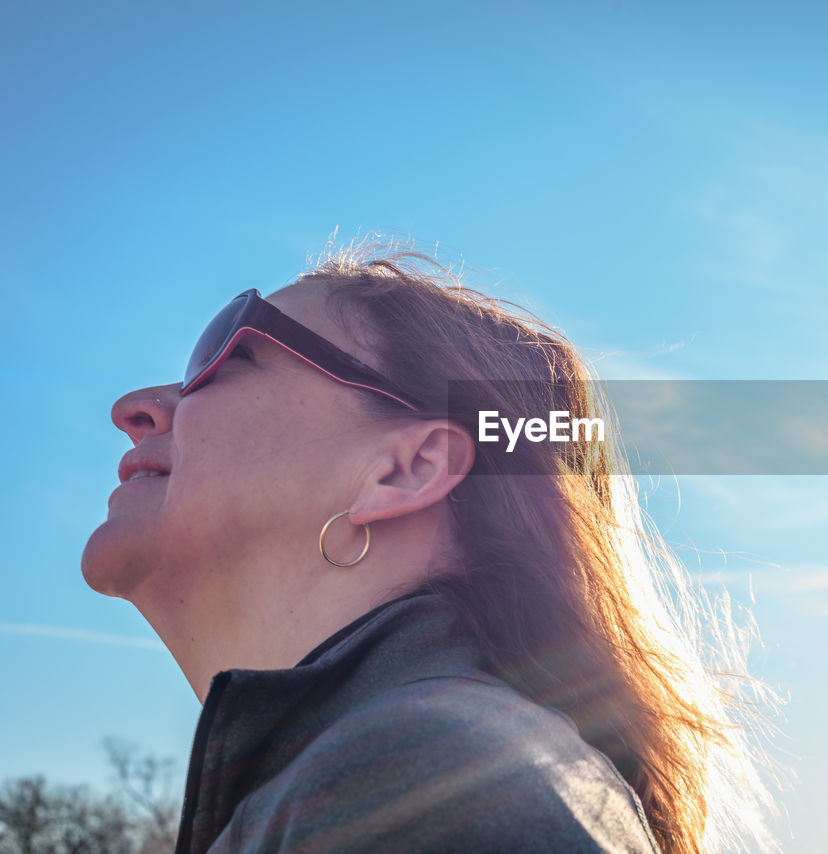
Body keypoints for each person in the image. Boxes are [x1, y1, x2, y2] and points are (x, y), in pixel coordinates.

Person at [81, 243, 779, 853]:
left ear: (403, 470)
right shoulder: (403, 766)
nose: (137, 407)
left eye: (224, 354)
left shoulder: (412, 781)